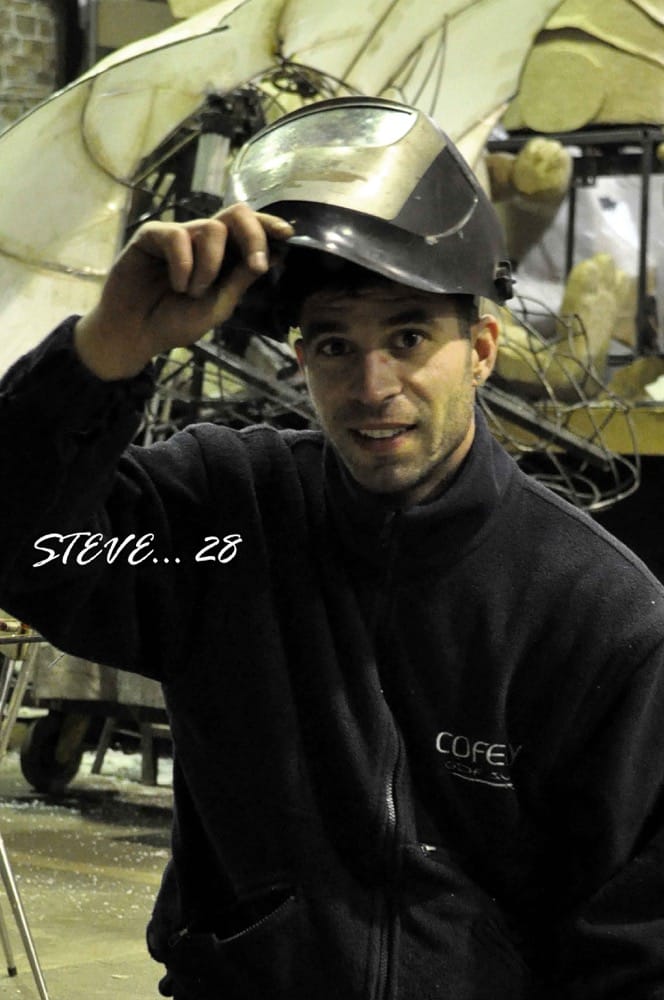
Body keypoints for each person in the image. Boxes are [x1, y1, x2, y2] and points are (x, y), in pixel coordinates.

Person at [0, 96, 663, 1000]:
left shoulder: (599, 617)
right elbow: (26, 548)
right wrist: (109, 346)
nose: (371, 384)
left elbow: (634, 948)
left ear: (481, 348)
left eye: (408, 337)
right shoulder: (225, 523)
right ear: (301, 358)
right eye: (334, 345)